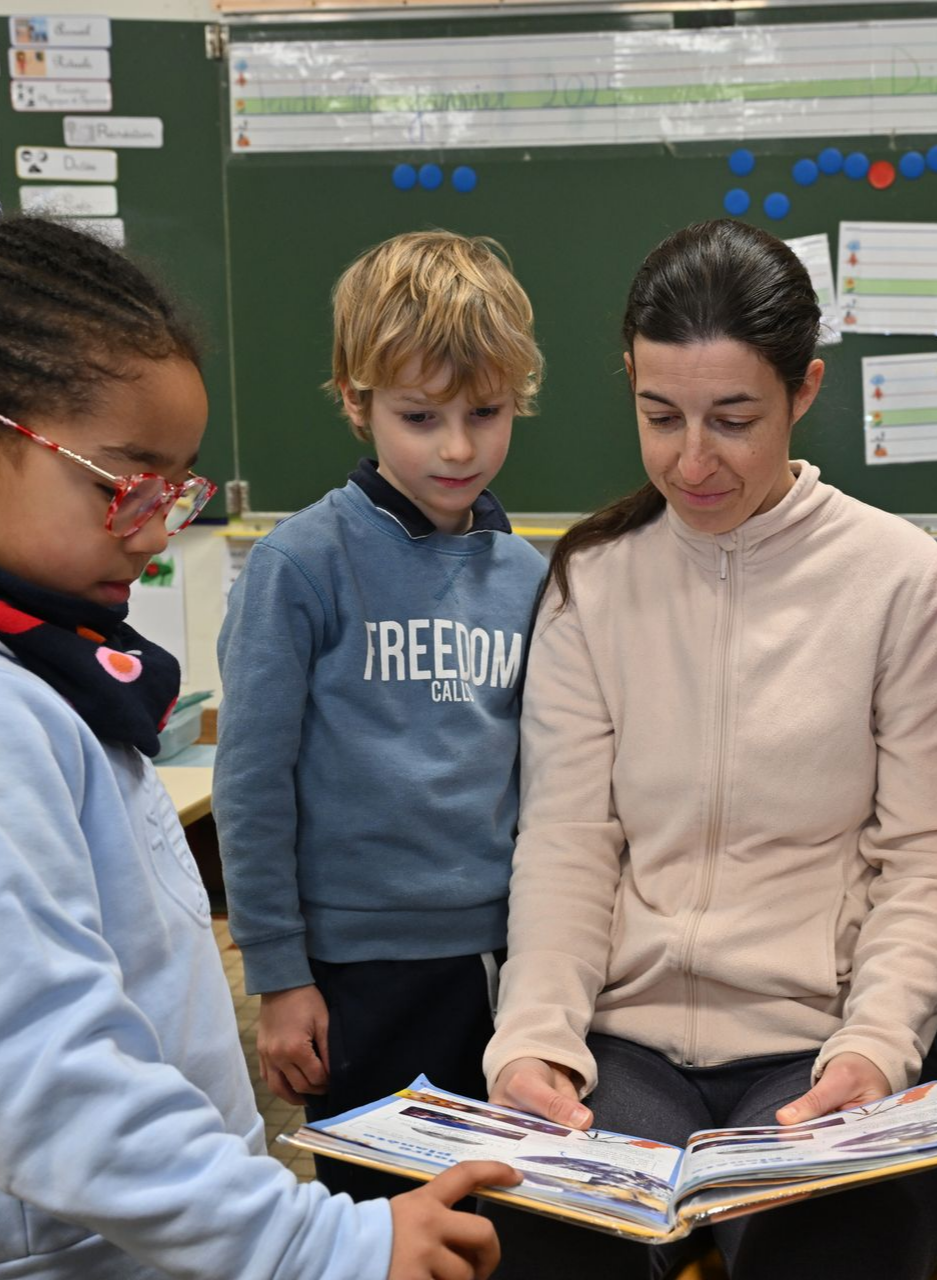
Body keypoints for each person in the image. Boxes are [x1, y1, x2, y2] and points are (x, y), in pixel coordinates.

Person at [0, 170, 513, 1279]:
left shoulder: (22, 667)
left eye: (178, 490)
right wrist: (324, 1237)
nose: (157, 534)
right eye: (127, 482)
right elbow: (53, 1092)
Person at [480, 219, 937, 1279]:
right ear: (627, 379)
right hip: (625, 1048)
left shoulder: (895, 575)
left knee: (842, 1243)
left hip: (818, 1040)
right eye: (659, 415)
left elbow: (932, 854)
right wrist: (532, 1040)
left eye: (734, 418)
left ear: (805, 390)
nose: (691, 459)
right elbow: (568, 840)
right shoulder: (594, 579)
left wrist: (875, 1045)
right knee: (537, 1240)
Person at [215, 231, 548, 1202]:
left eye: (484, 413)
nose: (456, 446)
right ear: (356, 401)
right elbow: (252, 782)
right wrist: (279, 978)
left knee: (502, 1218)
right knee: (383, 1225)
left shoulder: (527, 575)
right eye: (419, 415)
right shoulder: (300, 565)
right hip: (354, 971)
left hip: (496, 965)